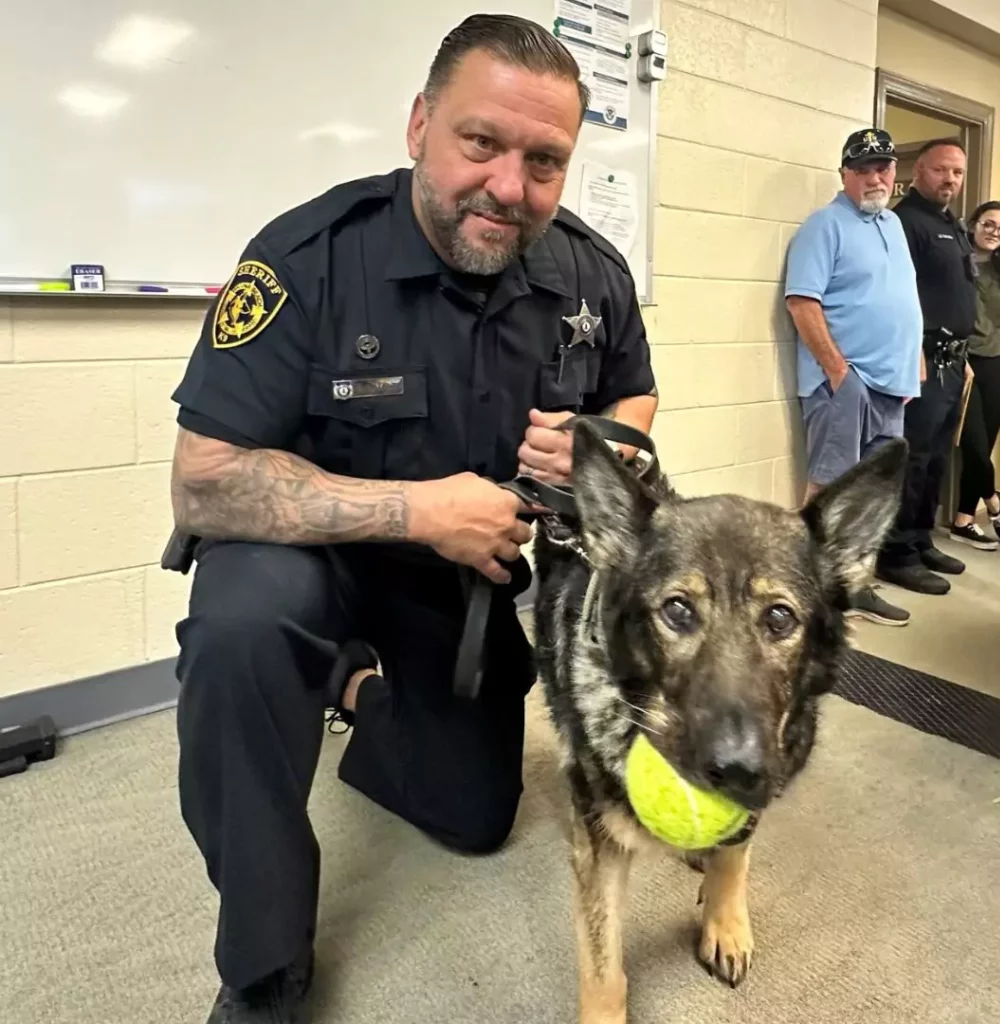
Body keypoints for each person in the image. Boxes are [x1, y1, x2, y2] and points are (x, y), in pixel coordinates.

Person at [165, 15, 658, 1023]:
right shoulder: (307, 256)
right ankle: (262, 967)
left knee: (473, 818)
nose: (509, 188)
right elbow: (202, 482)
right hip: (316, 565)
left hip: (461, 592)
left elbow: (638, 406)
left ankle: (360, 688)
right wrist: (414, 508)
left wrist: (604, 447)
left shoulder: (590, 274)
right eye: (480, 143)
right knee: (243, 624)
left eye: (544, 161)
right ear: (420, 125)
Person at [784, 128, 922, 626]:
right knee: (828, 487)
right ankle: (803, 589)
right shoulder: (825, 225)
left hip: (892, 385)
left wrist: (914, 360)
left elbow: (901, 299)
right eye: (862, 169)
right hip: (846, 383)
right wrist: (841, 373)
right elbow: (802, 302)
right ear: (844, 173)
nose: (874, 177)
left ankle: (857, 584)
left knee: (871, 496)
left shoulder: (894, 225)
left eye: (882, 167)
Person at [875, 138, 976, 596]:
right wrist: (913, 350)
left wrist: (966, 357)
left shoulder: (951, 223)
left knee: (936, 458)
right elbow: (898, 294)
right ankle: (895, 552)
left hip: (953, 362)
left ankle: (920, 538)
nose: (950, 180)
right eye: (940, 171)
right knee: (911, 460)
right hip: (922, 359)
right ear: (918, 172)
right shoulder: (905, 221)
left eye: (957, 173)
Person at [950, 199, 1000, 549]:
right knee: (973, 443)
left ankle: (963, 520)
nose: (994, 231)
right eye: (988, 223)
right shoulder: (957, 266)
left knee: (984, 444)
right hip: (962, 362)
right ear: (973, 224)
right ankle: (993, 500)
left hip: (999, 364)